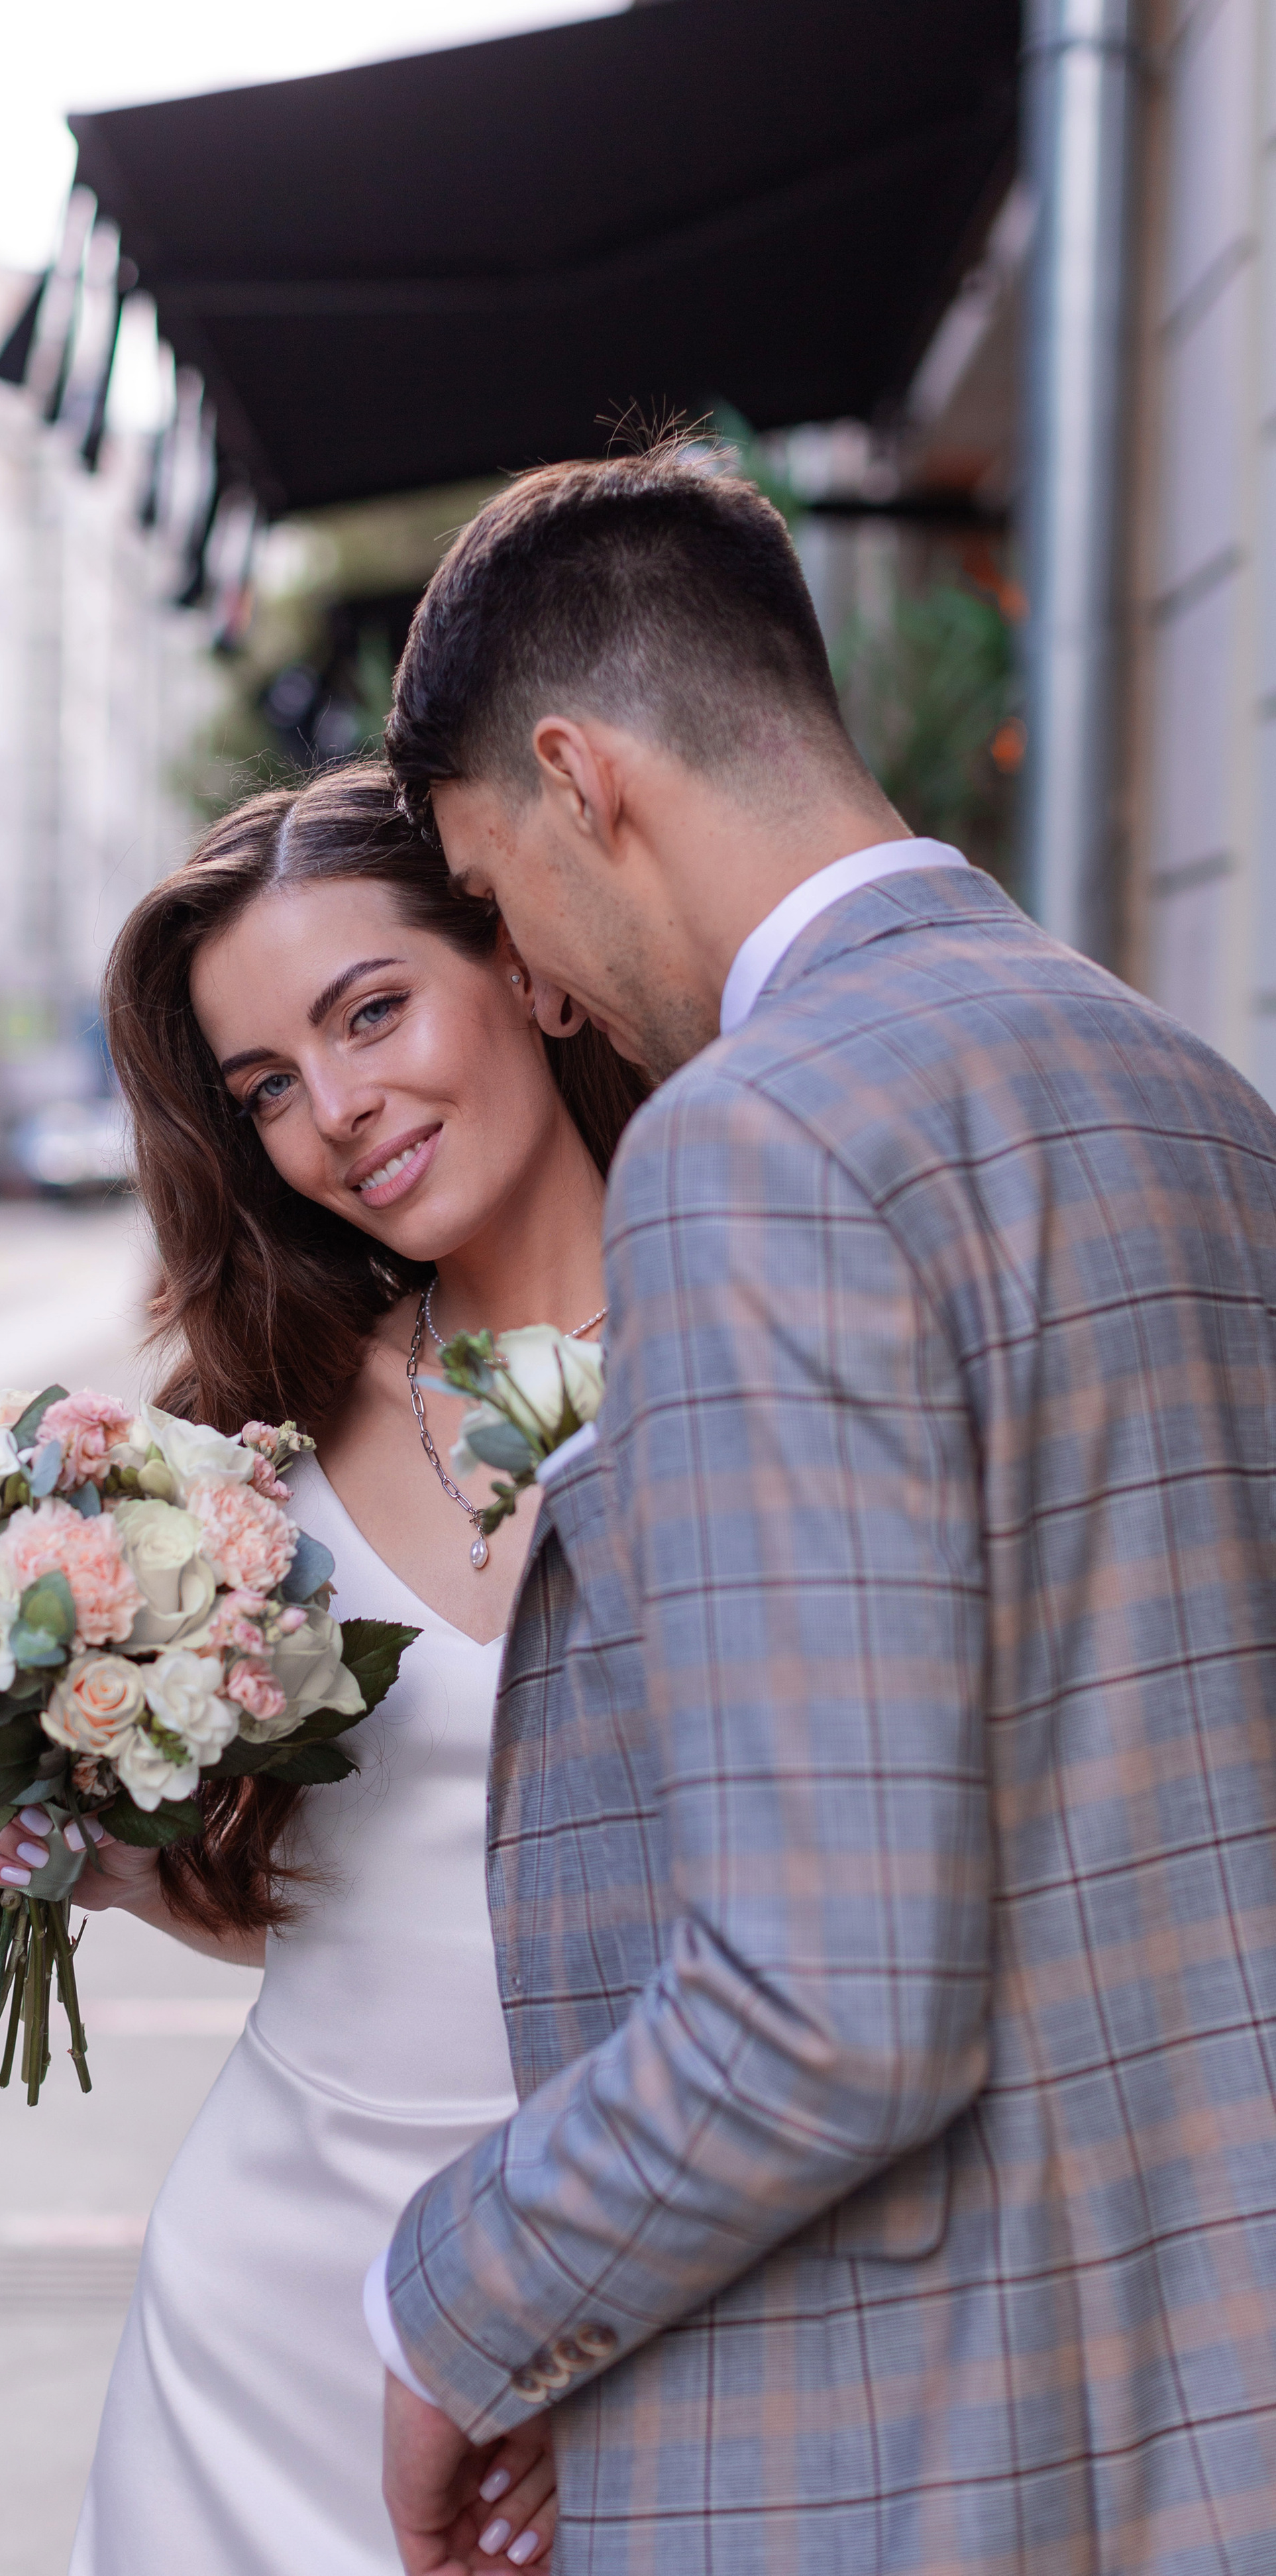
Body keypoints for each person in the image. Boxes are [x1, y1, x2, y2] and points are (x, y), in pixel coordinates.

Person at [362, 437, 1276, 2574]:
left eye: (497, 905)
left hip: (921, 2446)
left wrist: (455, 2308)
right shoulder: (1204, 1099)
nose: (543, 992)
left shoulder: (752, 1146)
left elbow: (825, 2002)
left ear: (583, 779)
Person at [0, 766, 647, 2574]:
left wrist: (610, 2295)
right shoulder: (263, 1431)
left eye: (372, 1011)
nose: (336, 1112)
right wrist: (124, 1866)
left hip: (632, 2286)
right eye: (266, 1085)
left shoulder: (752, 1345)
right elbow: (345, 1912)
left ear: (520, 966)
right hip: (266, 2310)